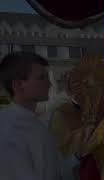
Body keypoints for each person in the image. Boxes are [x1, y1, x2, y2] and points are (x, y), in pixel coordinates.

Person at [0, 52, 61, 180]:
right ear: (18, 85)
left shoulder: (37, 124)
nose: (49, 84)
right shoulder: (7, 129)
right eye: (41, 78)